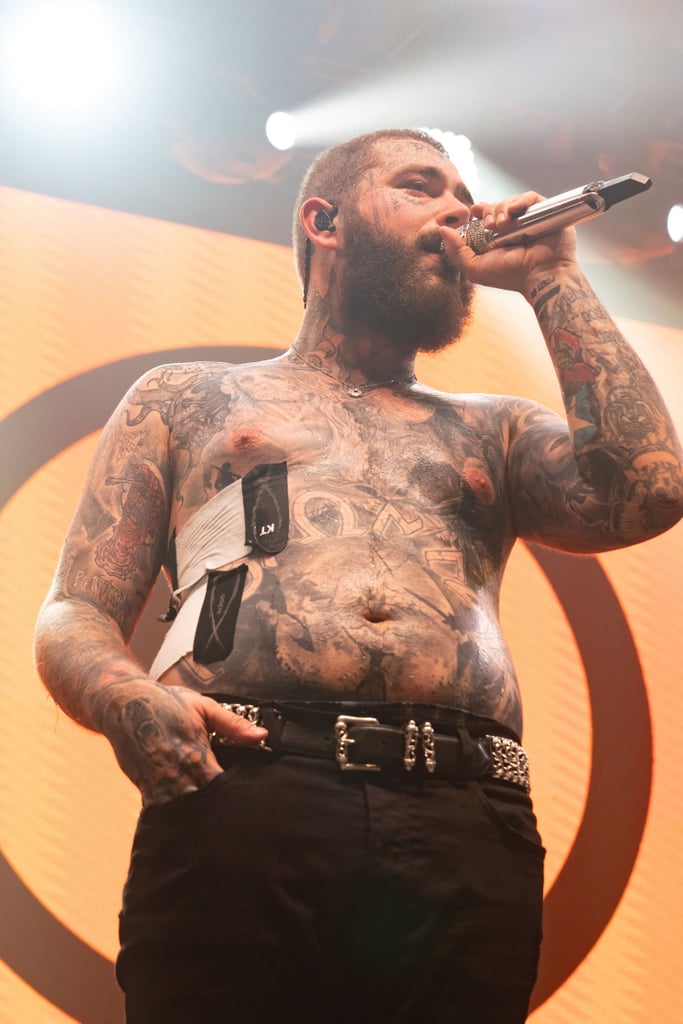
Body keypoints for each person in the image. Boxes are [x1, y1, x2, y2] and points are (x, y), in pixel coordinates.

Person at [34, 128, 683, 1024]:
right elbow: (76, 608)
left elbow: (646, 493)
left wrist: (551, 278)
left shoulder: (492, 425)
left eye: (465, 192)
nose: (460, 209)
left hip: (461, 816)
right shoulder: (185, 398)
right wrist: (120, 696)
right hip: (246, 793)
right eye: (421, 185)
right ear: (324, 220)